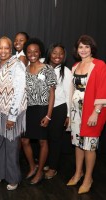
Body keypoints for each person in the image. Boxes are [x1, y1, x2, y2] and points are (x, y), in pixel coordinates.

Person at [67, 35, 106, 194]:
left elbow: (103, 88)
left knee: (89, 146)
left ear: (92, 49)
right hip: (76, 112)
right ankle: (78, 173)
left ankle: (88, 177)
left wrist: (95, 113)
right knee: (78, 143)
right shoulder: (75, 66)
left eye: (86, 47)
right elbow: (72, 90)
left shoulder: (100, 65)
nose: (83, 50)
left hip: (92, 111)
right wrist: (70, 113)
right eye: (80, 47)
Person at [0, 36, 27, 190]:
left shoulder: (17, 65)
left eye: (6, 48)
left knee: (11, 146)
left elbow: (19, 92)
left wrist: (12, 116)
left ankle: (13, 177)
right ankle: (1, 173)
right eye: (0, 48)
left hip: (12, 112)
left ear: (10, 50)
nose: (3, 51)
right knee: (0, 145)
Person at [21, 38, 57, 185]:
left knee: (42, 141)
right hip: (27, 109)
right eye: (29, 51)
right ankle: (32, 166)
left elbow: (52, 93)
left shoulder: (48, 69)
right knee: (24, 140)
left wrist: (48, 115)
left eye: (35, 51)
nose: (32, 54)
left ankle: (41, 171)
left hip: (42, 108)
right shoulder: (24, 69)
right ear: (26, 53)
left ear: (40, 52)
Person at [44, 43, 72, 179]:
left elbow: (69, 95)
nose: (57, 56)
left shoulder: (65, 72)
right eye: (54, 53)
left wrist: (68, 115)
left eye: (61, 53)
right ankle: (47, 161)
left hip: (58, 108)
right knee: (45, 138)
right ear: (49, 53)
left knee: (55, 139)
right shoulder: (42, 66)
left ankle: (53, 167)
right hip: (43, 108)